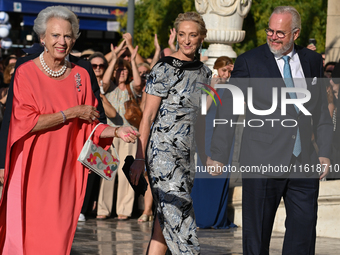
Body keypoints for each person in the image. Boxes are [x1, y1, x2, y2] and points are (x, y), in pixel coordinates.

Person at [0, 6, 139, 254]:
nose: (61, 41)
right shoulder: (26, 72)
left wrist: (117, 132)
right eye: (55, 35)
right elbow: (26, 122)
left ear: (74, 39)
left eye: (67, 36)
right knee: (30, 235)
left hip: (67, 169)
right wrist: (72, 113)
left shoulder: (81, 75)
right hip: (33, 169)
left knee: (59, 237)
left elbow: (92, 127)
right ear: (42, 38)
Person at [207, 6, 332, 255]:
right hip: (262, 161)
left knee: (303, 233)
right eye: (270, 31)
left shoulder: (312, 61)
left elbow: (320, 112)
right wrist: (218, 154)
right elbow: (228, 110)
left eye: (280, 33)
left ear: (295, 34)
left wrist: (325, 151)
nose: (273, 36)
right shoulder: (249, 62)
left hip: (303, 162)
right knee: (257, 237)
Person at [130, 12, 211, 254]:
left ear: (202, 38)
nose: (186, 41)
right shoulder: (164, 67)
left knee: (163, 221)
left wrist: (205, 156)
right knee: (179, 213)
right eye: (182, 35)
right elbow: (148, 116)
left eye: (193, 35)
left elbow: (200, 121)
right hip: (162, 153)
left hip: (187, 155)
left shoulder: (205, 73)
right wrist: (140, 157)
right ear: (176, 36)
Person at [96, 44, 142, 221]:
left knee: (126, 173)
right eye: (118, 69)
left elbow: (138, 82)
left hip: (130, 135)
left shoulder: (132, 89)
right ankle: (103, 208)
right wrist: (114, 57)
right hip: (111, 134)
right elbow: (104, 81)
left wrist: (132, 55)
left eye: (124, 70)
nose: (121, 72)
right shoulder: (108, 89)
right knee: (106, 171)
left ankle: (124, 209)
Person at [191, 56, 236, 230]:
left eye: (229, 71)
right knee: (205, 175)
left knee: (221, 175)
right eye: (224, 70)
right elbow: (203, 110)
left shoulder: (232, 88)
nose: (226, 74)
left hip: (225, 136)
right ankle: (201, 217)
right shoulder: (206, 85)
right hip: (207, 135)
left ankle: (217, 218)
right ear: (216, 69)